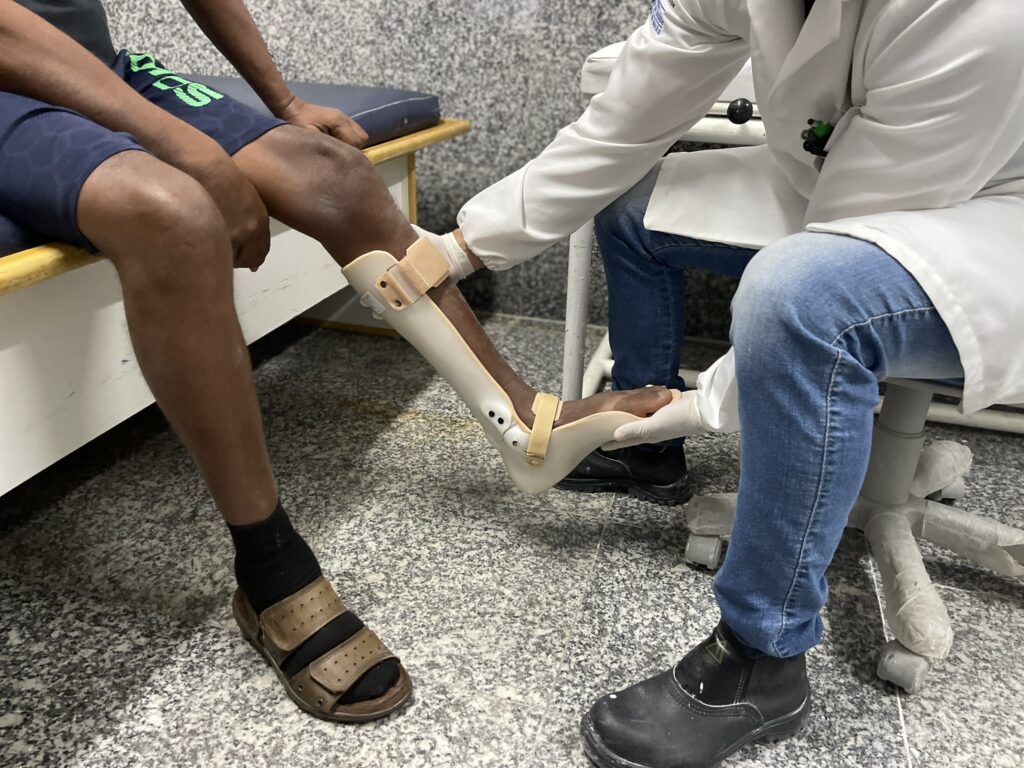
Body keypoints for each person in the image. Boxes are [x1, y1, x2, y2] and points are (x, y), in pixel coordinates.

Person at [0, 0, 673, 723]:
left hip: (99, 73)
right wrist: (191, 152)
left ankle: (524, 422)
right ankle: (269, 566)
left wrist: (283, 102)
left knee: (336, 173)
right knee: (175, 212)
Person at [450, 0, 1024, 765]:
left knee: (803, 302)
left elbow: (857, 237)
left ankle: (763, 653)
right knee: (632, 212)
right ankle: (649, 461)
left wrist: (697, 404)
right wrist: (464, 246)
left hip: (990, 216)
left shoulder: (980, 14)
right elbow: (628, 113)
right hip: (849, 173)